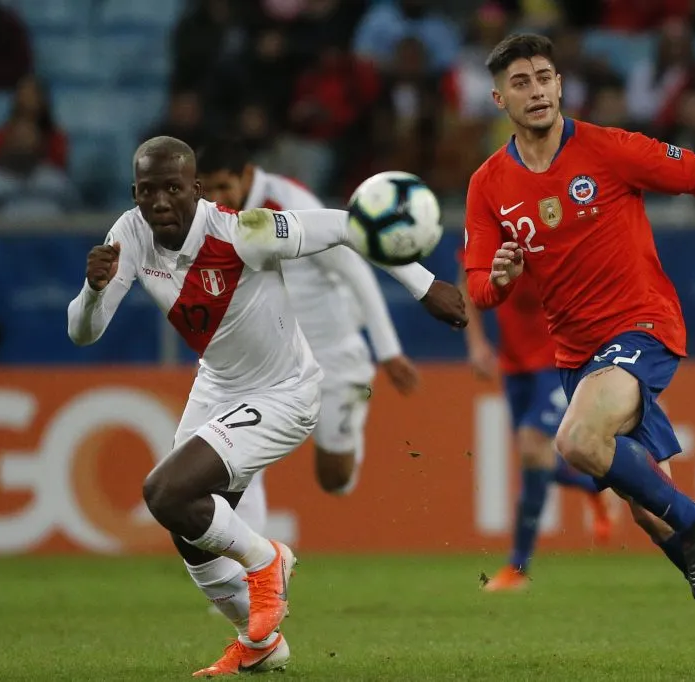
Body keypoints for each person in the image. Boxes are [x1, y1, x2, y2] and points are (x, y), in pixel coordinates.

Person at [66, 136, 466, 676]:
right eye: (147, 191)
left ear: (197, 189)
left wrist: (424, 286)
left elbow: (348, 227)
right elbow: (84, 334)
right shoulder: (129, 234)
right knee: (188, 527)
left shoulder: (244, 231)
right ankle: (259, 644)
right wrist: (93, 291)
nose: (159, 201)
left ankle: (266, 559)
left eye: (172, 189)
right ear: (134, 193)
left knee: (164, 490)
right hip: (218, 386)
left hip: (284, 393)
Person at [462, 34, 695, 674]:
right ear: (500, 98)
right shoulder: (488, 186)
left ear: (561, 85)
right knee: (648, 510)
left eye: (545, 77)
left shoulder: (610, 150)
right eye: (522, 83)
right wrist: (500, 276)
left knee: (578, 442)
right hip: (576, 353)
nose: (537, 91)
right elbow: (479, 286)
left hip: (643, 326)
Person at [197, 137, 420, 538]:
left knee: (334, 478)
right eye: (206, 189)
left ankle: (350, 418)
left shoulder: (291, 203)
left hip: (332, 355)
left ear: (247, 176)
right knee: (237, 463)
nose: (216, 198)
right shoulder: (211, 219)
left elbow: (354, 269)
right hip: (266, 363)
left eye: (223, 186)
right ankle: (246, 575)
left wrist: (388, 351)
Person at [459, 260, 616, 591]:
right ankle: (594, 484)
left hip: (560, 358)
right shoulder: (496, 219)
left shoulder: (556, 217)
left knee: (532, 449)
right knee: (539, 461)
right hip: (514, 363)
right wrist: (475, 343)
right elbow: (468, 279)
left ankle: (517, 567)